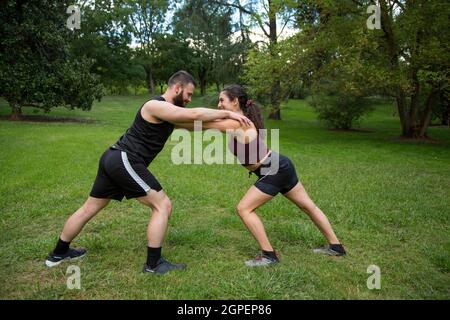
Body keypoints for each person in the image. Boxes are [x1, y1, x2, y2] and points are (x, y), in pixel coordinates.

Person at [45, 71, 251, 274]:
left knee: (89, 208)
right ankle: (154, 265)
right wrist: (228, 112)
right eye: (188, 94)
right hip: (125, 159)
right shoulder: (155, 105)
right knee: (162, 204)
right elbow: (195, 115)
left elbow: (197, 124)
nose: (189, 99)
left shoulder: (169, 113)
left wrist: (234, 123)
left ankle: (58, 254)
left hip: (114, 158)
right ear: (177, 88)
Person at [179, 84, 346, 267]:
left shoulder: (237, 122)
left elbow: (198, 125)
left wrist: (171, 117)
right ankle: (336, 247)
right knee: (309, 207)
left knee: (244, 209)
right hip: (280, 165)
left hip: (273, 169)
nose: (219, 105)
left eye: (222, 100)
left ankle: (269, 256)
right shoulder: (242, 120)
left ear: (235, 102)